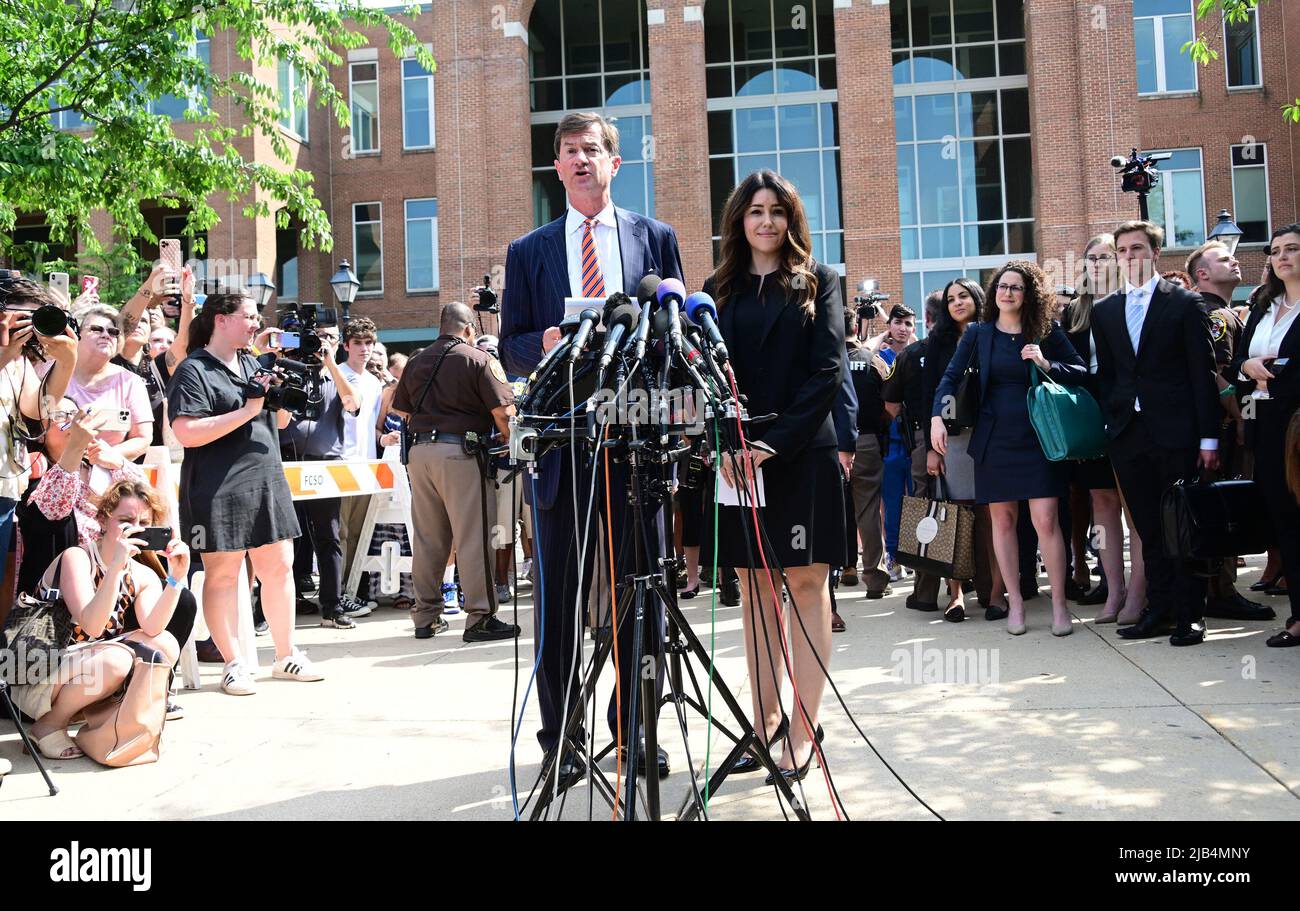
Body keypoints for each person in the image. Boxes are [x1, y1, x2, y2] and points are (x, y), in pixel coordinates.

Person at [500, 111, 684, 785]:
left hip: (638, 443)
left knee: (644, 596)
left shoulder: (654, 238)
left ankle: (636, 730)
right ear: (556, 167)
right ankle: (561, 740)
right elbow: (508, 344)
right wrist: (545, 341)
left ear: (615, 163)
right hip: (560, 443)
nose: (581, 160)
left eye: (593, 150)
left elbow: (677, 332)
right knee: (560, 603)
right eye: (569, 151)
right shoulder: (529, 251)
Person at [703, 169, 847, 784]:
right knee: (755, 590)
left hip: (800, 454)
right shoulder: (715, 290)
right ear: (738, 219)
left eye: (777, 210)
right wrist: (725, 444)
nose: (766, 221)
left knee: (805, 588)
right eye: (755, 210)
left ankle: (803, 729)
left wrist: (770, 443)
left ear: (792, 219)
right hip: (736, 460)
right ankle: (762, 723)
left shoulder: (822, 282)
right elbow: (702, 376)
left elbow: (829, 372)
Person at [166, 292, 322, 693]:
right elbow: (186, 432)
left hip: (266, 478)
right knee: (223, 576)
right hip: (218, 486)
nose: (257, 323)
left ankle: (286, 655)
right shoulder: (193, 370)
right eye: (249, 316)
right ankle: (233, 663)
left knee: (279, 568)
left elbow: (282, 423)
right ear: (221, 319)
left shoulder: (254, 363)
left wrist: (287, 391)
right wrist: (248, 411)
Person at [932, 261, 1086, 636]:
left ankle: (1059, 604)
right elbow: (950, 377)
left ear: (1028, 294)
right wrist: (938, 415)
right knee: (1002, 521)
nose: (1008, 293)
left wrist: (1046, 362)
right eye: (1002, 286)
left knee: (1046, 520)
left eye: (1016, 287)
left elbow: (1081, 371)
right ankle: (1014, 601)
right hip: (994, 439)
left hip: (1038, 438)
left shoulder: (1045, 330)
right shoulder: (979, 335)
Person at [1092, 221, 1221, 646]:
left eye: (1138, 249)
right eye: (1123, 250)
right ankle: (1158, 610)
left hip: (1178, 433)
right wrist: (1115, 422)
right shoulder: (1105, 310)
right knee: (1148, 528)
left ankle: (1190, 615)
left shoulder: (1185, 303)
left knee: (1181, 527)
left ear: (1155, 253)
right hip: (1129, 435)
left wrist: (1208, 438)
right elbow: (1109, 375)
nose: (1130, 256)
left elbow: (1202, 375)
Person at [11, 478, 190, 759]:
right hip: (34, 671)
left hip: (84, 671)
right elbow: (92, 625)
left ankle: (115, 716)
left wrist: (176, 579)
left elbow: (154, 628)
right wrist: (115, 568)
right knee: (116, 660)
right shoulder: (77, 558)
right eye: (126, 520)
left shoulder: (142, 574)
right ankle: (49, 725)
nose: (136, 529)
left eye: (144, 522)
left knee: (164, 643)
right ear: (104, 520)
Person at [391, 301, 520, 644]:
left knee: (429, 539)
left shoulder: (416, 361)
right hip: (461, 453)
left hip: (419, 454)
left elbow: (400, 409)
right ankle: (480, 617)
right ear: (467, 329)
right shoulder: (478, 359)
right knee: (474, 536)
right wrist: (512, 443)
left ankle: (426, 617)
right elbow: (503, 412)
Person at [1186, 239, 1273, 622]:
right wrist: (1240, 418)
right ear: (1202, 274)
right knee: (1221, 508)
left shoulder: (1214, 311)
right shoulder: (1216, 315)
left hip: (1210, 428)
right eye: (1224, 259)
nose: (1235, 260)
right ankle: (1218, 592)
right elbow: (1217, 375)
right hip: (1218, 430)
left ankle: (1215, 590)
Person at [1063, 233, 1139, 624]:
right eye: (1091, 257)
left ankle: (1139, 592)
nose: (1097, 264)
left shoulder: (1135, 303)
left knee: (1134, 503)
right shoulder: (1075, 311)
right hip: (1089, 416)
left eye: (1105, 257)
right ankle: (1114, 587)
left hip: (1128, 411)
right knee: (1102, 504)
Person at [924, 277, 1008, 622]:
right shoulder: (938, 342)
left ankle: (996, 593)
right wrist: (931, 447)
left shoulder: (995, 333)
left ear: (977, 297)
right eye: (950, 299)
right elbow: (929, 393)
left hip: (994, 434)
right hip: (954, 439)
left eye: (963, 296)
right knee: (954, 518)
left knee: (995, 517)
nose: (957, 302)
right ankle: (955, 594)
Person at [1232, 223, 1300, 648]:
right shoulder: (1262, 303)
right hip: (1267, 424)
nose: (1283, 257)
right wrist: (1246, 368)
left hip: (1299, 421)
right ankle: (1298, 616)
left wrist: (1278, 369)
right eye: (1276, 251)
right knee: (1286, 521)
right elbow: (1240, 357)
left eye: (1292, 249)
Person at [280, 321, 369, 628]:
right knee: (284, 539)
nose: (321, 345)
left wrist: (330, 363)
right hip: (287, 460)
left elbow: (353, 405)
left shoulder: (338, 376)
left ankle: (332, 606)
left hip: (325, 464)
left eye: (330, 339)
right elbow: (277, 418)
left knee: (328, 536)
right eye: (318, 340)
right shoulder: (288, 371)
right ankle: (276, 606)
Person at [0, 275, 78, 616]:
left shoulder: (19, 361)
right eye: (23, 318)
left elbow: (38, 414)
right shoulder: (8, 356)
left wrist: (66, 361)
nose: (31, 328)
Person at [883, 291, 945, 613]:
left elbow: (891, 404)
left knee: (923, 511)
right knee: (968, 506)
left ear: (926, 319)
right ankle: (980, 587)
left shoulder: (912, 355)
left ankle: (925, 592)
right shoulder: (969, 347)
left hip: (922, 439)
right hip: (964, 442)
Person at [64, 304, 153, 467]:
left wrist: (105, 454)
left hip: (105, 476)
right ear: (77, 334)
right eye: (97, 329)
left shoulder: (130, 382)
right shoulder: (51, 370)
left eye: (113, 332)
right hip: (54, 473)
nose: (106, 335)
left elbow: (143, 438)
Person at [337, 317, 386, 604]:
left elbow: (373, 426)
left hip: (368, 464)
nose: (364, 349)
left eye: (369, 343)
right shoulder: (336, 374)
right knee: (340, 532)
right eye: (358, 343)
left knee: (358, 532)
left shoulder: (374, 383)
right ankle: (340, 590)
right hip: (341, 462)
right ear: (346, 346)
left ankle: (351, 589)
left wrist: (382, 441)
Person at [845, 316, 892, 600]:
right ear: (855, 328)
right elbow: (891, 399)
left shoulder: (823, 359)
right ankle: (875, 578)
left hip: (829, 443)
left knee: (828, 512)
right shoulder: (871, 360)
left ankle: (835, 573)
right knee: (868, 511)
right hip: (865, 441)